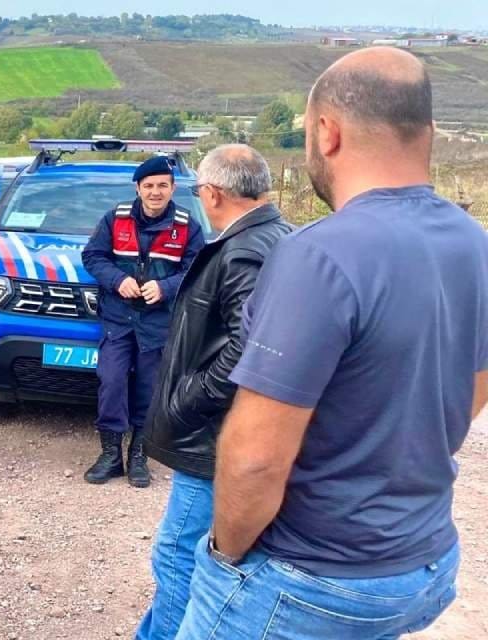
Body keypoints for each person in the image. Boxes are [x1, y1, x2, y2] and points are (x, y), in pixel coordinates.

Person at [176, 47, 488, 639]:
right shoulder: (473, 242)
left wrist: (223, 552)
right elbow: (469, 393)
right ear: (426, 130)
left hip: (310, 579)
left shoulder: (317, 256)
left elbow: (256, 457)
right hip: (420, 563)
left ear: (327, 131)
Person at [134, 145, 292, 640]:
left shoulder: (244, 250)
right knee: (189, 558)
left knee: (178, 556)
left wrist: (188, 400)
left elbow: (252, 347)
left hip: (217, 441)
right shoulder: (279, 235)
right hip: (239, 434)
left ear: (213, 193)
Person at [80, 156, 204, 487]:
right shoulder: (115, 219)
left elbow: (197, 270)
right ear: (138, 188)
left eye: (162, 185)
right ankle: (110, 456)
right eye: (148, 186)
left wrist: (165, 287)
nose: (155, 192)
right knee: (112, 382)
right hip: (119, 319)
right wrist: (117, 279)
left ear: (173, 188)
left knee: (150, 390)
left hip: (159, 322)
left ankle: (139, 456)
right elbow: (92, 256)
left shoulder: (187, 226)